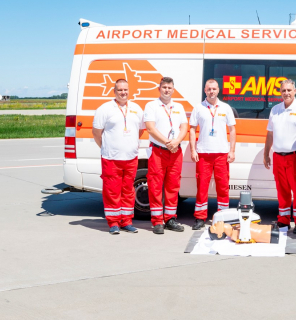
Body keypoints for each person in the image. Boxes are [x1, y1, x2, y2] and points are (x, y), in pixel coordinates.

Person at [92, 79, 145, 235]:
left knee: (128, 190)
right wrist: (106, 147)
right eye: (120, 90)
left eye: (126, 90)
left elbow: (140, 130)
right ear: (114, 91)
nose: (123, 93)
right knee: (112, 191)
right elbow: (96, 133)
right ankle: (114, 222)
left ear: (129, 91)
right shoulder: (105, 109)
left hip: (131, 157)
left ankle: (126, 221)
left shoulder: (136, 108)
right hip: (111, 158)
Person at [143, 77, 189, 234]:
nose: (167, 90)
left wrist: (176, 142)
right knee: (155, 186)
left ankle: (170, 219)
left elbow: (184, 127)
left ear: (173, 89)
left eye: (169, 87)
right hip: (158, 151)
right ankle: (157, 222)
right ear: (159, 88)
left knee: (173, 186)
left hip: (175, 151)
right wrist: (168, 142)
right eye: (164, 87)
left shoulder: (179, 106)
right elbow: (150, 128)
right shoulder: (151, 106)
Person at [189, 79, 237, 230]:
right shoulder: (199, 108)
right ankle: (200, 217)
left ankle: (222, 218)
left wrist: (232, 150)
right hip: (203, 153)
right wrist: (192, 150)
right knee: (202, 187)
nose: (211, 91)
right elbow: (191, 129)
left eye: (214, 89)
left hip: (222, 153)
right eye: (209, 89)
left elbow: (233, 129)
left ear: (218, 90)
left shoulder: (226, 107)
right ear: (205, 90)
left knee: (223, 187)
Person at [263, 79, 296, 234]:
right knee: (282, 189)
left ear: (295, 91)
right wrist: (266, 153)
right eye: (283, 91)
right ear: (280, 92)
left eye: (289, 90)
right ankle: (283, 220)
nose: (286, 93)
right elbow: (269, 133)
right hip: (277, 156)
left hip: (295, 156)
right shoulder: (275, 109)